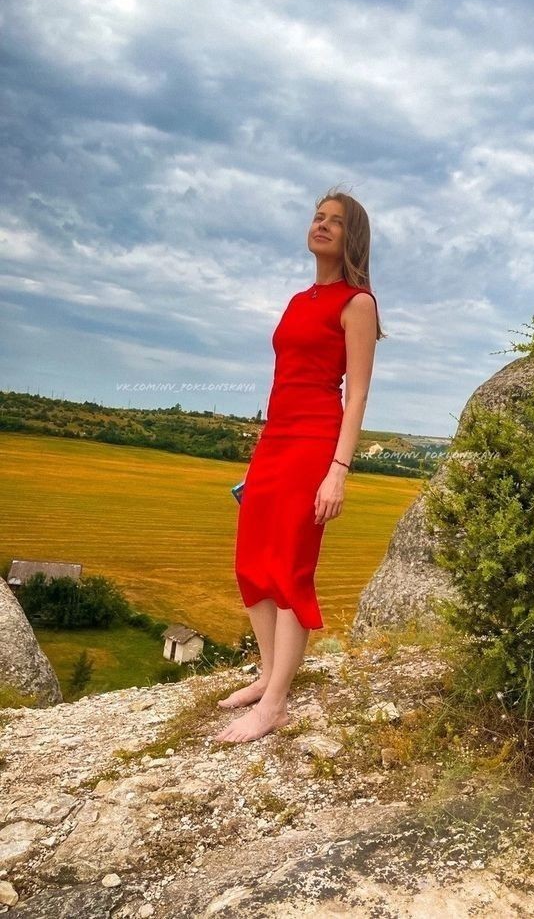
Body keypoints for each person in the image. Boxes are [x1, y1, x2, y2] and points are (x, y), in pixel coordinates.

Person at [215, 187, 385, 744]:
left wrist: (338, 469)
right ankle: (268, 676)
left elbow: (357, 395)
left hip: (315, 442)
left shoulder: (357, 303)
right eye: (318, 217)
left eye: (335, 221)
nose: (322, 225)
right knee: (251, 562)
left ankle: (275, 705)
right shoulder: (296, 300)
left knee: (289, 567)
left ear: (351, 237)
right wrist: (260, 455)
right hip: (275, 440)